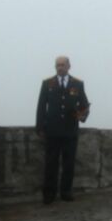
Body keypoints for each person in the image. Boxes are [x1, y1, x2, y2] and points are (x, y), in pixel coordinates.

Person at [35, 55, 90, 204]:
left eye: (62, 65)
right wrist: (39, 127)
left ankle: (66, 192)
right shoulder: (48, 83)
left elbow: (84, 105)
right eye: (57, 65)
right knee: (50, 163)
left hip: (70, 130)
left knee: (69, 163)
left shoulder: (77, 84)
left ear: (68, 66)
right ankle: (49, 194)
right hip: (52, 130)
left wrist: (82, 115)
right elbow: (41, 106)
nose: (59, 68)